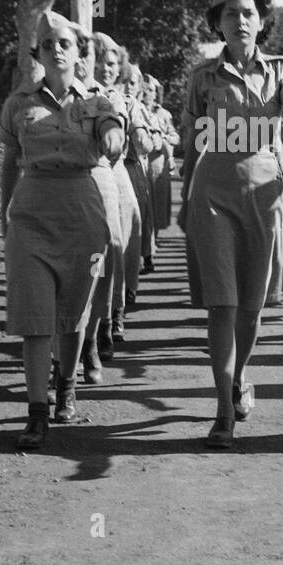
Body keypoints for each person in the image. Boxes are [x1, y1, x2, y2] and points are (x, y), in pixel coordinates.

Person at [179, 0, 283, 449]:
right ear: (217, 23)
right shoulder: (202, 78)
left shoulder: (281, 71)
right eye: (230, 14)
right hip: (213, 196)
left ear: (261, 22)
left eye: (248, 13)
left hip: (264, 197)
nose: (240, 20)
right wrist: (184, 202)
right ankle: (222, 411)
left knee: (251, 308)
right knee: (222, 303)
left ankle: (238, 378)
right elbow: (190, 148)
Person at [0, 11, 124, 450]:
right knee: (35, 318)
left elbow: (113, 131)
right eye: (47, 43)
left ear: (78, 52)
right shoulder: (18, 104)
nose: (56, 49)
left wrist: (109, 138)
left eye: (64, 43)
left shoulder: (97, 99)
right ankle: (36, 412)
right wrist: (4, 217)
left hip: (82, 214)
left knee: (72, 315)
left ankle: (66, 383)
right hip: (31, 215)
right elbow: (8, 165)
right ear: (38, 52)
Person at [90, 32, 143, 353]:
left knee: (119, 245)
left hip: (115, 172)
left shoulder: (120, 97)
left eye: (112, 63)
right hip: (82, 173)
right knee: (90, 257)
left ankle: (113, 315)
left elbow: (122, 137)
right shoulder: (76, 93)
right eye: (100, 62)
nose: (106, 68)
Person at [118, 60, 155, 282]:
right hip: (97, 173)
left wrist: (147, 137)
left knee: (131, 229)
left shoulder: (134, 106)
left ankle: (126, 287)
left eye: (133, 82)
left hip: (130, 170)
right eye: (126, 81)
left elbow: (146, 142)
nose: (128, 86)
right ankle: (99, 289)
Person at [142, 75, 178, 238]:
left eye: (150, 90)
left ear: (156, 93)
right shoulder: (136, 109)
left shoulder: (164, 114)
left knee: (157, 206)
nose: (147, 93)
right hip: (141, 163)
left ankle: (152, 241)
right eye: (144, 89)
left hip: (158, 165)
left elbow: (175, 137)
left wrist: (164, 138)